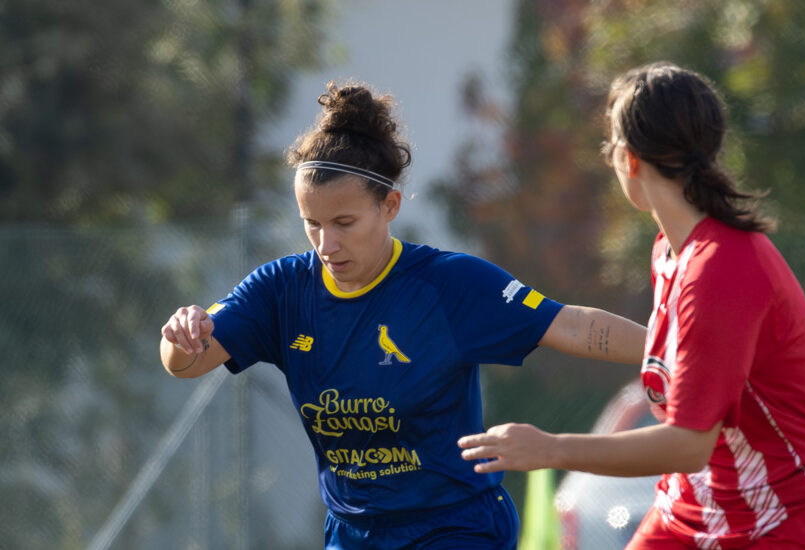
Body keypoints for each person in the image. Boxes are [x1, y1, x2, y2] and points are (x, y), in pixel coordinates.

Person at [159, 80, 646, 550]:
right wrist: (181, 337)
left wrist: (674, 348)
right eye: (312, 224)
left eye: (344, 223)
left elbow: (572, 325)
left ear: (389, 205)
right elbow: (185, 364)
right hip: (353, 534)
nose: (326, 244)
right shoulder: (280, 291)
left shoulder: (447, 285)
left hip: (456, 529)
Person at [458, 62, 805, 549]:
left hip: (791, 513)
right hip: (698, 505)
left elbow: (687, 444)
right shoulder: (671, 248)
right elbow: (680, 355)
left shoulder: (722, 268)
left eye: (610, 146)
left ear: (629, 159)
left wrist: (549, 448)